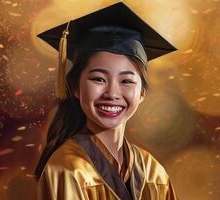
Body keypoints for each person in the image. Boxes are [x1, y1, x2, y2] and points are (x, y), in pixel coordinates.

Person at [35, 2, 177, 200]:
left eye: (126, 81)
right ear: (75, 87)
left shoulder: (153, 172)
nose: (112, 93)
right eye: (98, 79)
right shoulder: (66, 169)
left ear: (142, 92)